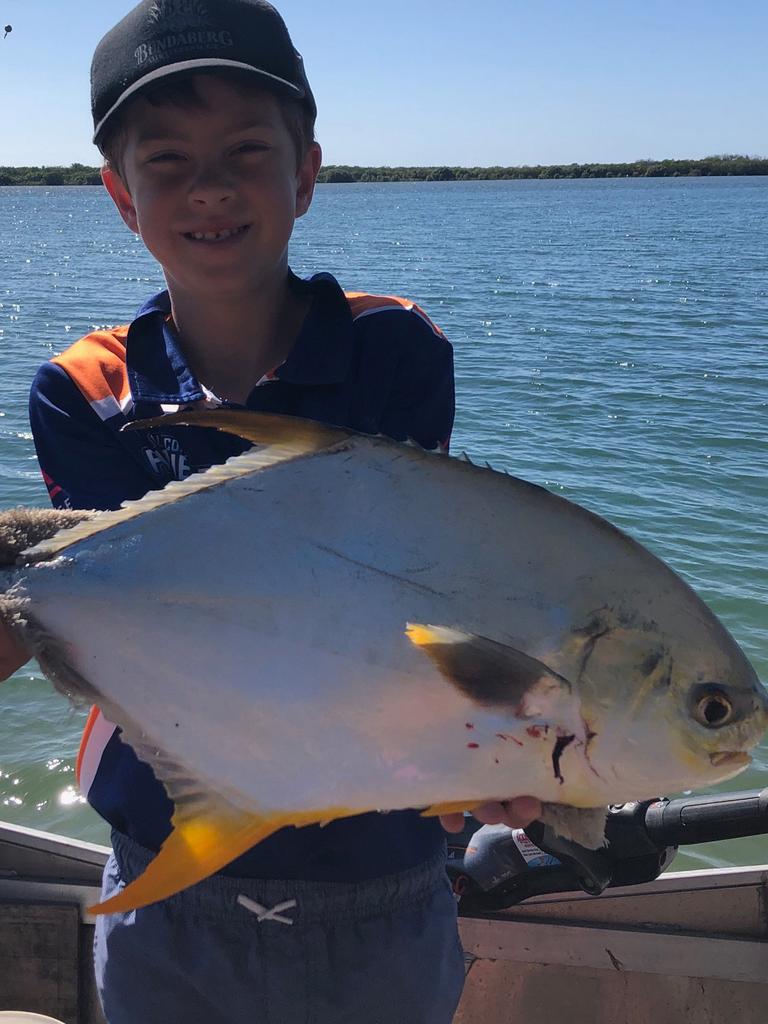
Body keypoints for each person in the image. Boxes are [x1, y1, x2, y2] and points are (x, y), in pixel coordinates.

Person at [1, 1, 541, 1020]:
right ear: (120, 195)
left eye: (247, 149)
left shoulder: (397, 350)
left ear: (306, 172)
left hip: (382, 875)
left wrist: (498, 746)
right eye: (165, 160)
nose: (208, 186)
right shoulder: (80, 389)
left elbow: (402, 597)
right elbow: (127, 619)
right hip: (168, 873)